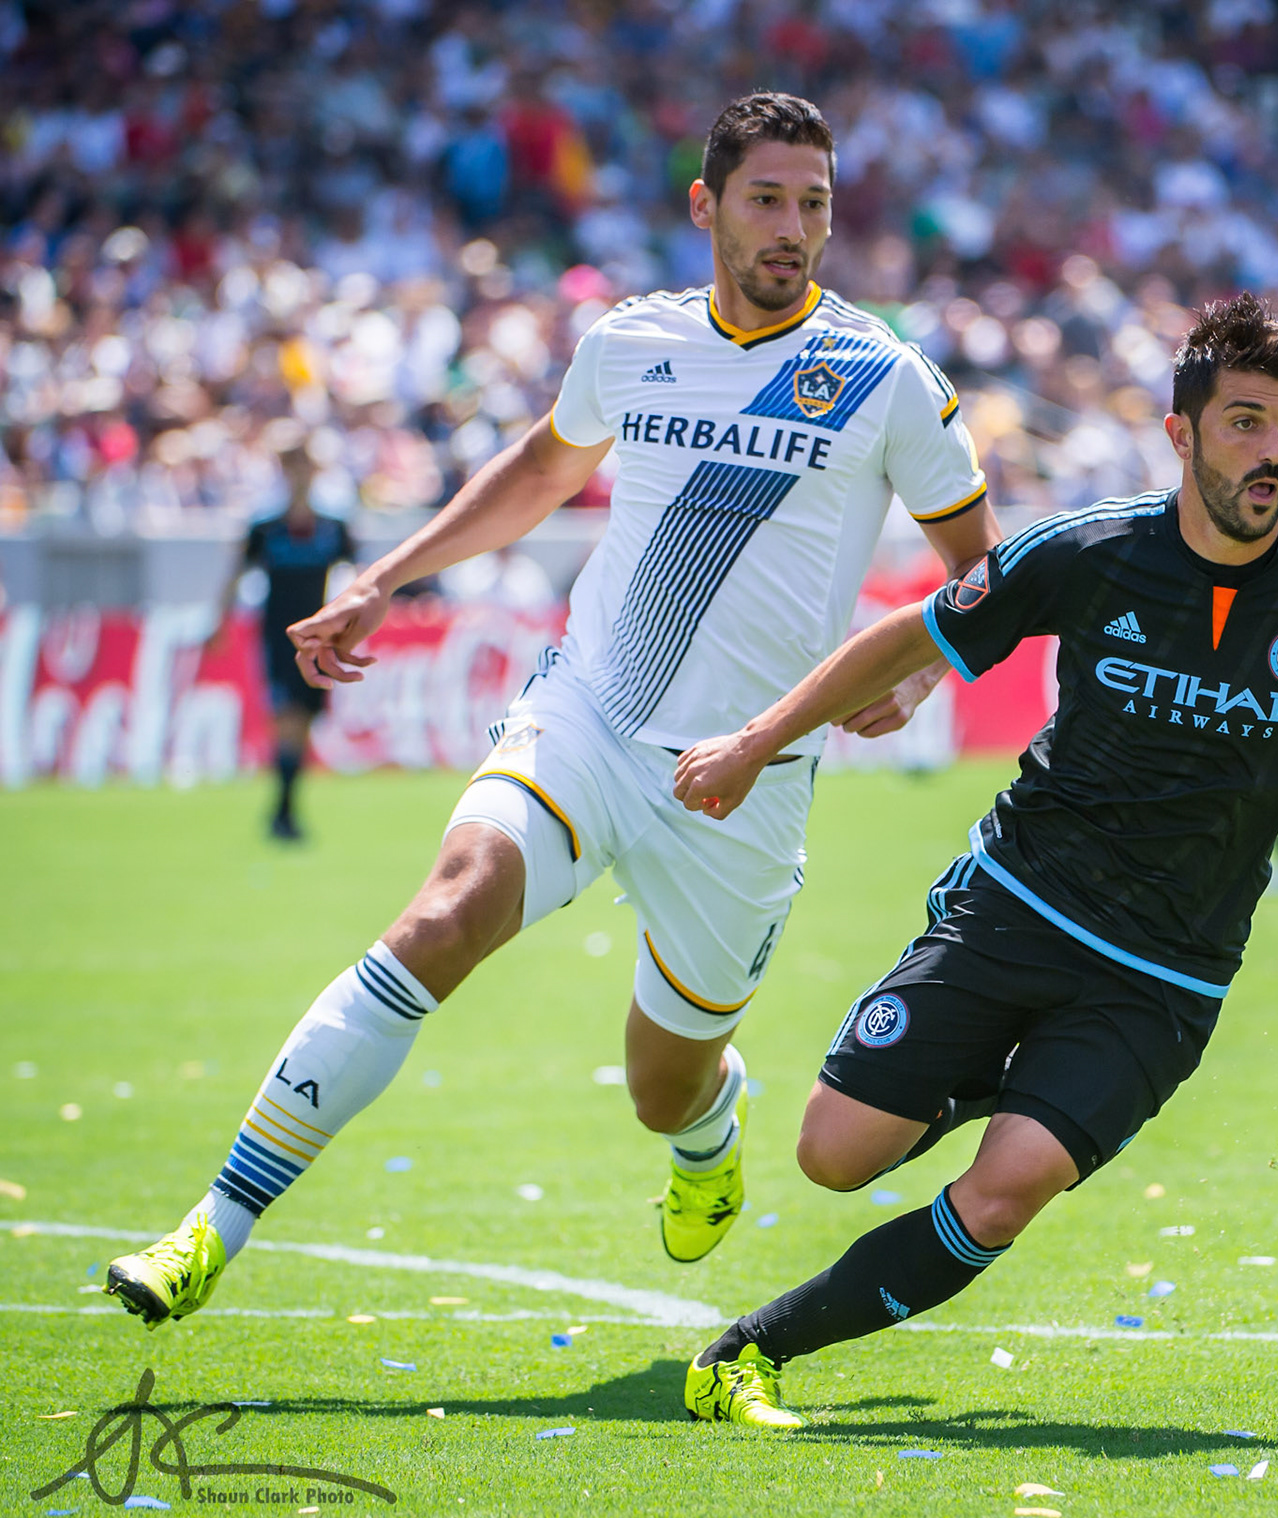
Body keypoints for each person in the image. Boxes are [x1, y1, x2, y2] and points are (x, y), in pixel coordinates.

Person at [105, 92, 999, 1326]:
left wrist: (920, 670)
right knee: (445, 909)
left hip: (743, 773)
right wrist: (384, 576)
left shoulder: (887, 379)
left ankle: (706, 1131)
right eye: (768, 200)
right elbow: (539, 467)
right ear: (706, 206)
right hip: (586, 710)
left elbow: (980, 571)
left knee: (663, 1081)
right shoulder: (629, 342)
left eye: (815, 204)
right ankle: (214, 1222)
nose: (795, 227)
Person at [668, 294, 1278, 1428]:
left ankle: (749, 1353)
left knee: (1004, 1191)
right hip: (1014, 905)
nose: (1275, 453)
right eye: (1247, 423)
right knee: (832, 1151)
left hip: (1164, 973)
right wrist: (759, 738)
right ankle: (992, 1080)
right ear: (1182, 432)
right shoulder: (1092, 552)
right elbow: (913, 634)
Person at [217, 432, 357, 841]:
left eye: (303, 464)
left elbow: (359, 579)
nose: (298, 473)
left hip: (320, 640)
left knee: (304, 720)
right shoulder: (265, 528)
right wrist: (219, 623)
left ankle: (284, 811)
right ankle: (283, 814)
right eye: (290, 464)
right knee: (287, 720)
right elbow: (235, 576)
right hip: (279, 639)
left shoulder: (333, 528)